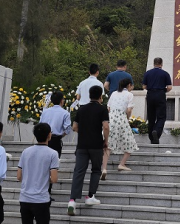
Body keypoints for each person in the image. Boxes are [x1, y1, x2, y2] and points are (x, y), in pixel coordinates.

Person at [17, 123, 59, 224]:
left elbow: (19, 176)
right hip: (40, 199)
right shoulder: (52, 153)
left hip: (24, 198)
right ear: (49, 135)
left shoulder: (26, 152)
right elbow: (54, 178)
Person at [67, 85, 109, 216]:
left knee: (79, 171)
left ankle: (72, 201)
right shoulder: (102, 109)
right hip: (96, 145)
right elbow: (106, 127)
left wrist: (84, 132)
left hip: (82, 145)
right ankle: (90, 196)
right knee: (96, 170)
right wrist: (105, 141)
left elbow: (74, 127)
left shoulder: (82, 109)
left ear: (90, 95)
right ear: (100, 96)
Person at [102, 78, 138, 176]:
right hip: (121, 118)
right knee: (130, 142)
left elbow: (108, 108)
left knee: (108, 144)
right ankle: (122, 164)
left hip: (111, 118)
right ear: (129, 85)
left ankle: (104, 168)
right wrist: (127, 118)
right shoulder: (129, 95)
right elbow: (129, 110)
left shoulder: (113, 93)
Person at [38, 90, 72, 196]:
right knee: (53, 166)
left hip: (43, 140)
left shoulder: (45, 111)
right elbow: (67, 129)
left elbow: (40, 125)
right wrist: (61, 135)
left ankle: (41, 189)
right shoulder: (65, 113)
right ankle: (48, 191)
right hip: (56, 140)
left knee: (42, 165)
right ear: (62, 101)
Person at [142, 57, 173, 145]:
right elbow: (169, 87)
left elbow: (144, 86)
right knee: (161, 117)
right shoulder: (165, 74)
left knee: (151, 117)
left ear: (154, 63)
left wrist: (151, 88)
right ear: (161, 64)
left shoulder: (148, 73)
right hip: (160, 95)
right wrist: (163, 90)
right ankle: (156, 131)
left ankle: (152, 138)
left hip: (150, 95)